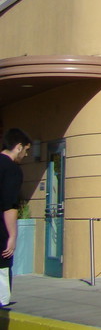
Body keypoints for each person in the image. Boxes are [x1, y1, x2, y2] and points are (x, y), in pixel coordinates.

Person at [0, 129, 30, 307]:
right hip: (1, 230)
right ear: (18, 147)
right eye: (26, 150)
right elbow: (10, 206)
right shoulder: (12, 170)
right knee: (2, 267)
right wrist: (12, 236)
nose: (26, 155)